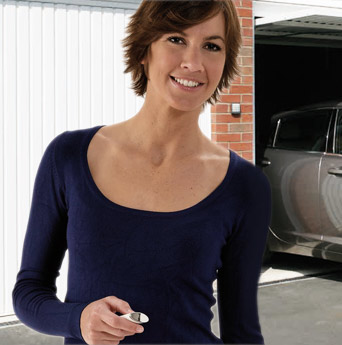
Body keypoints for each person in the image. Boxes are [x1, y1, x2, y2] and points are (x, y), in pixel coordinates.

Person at [12, 1, 271, 344]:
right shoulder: (69, 157)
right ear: (144, 51)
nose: (193, 62)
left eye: (211, 46)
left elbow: (243, 333)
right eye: (176, 39)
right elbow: (29, 292)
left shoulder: (245, 185)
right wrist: (78, 319)